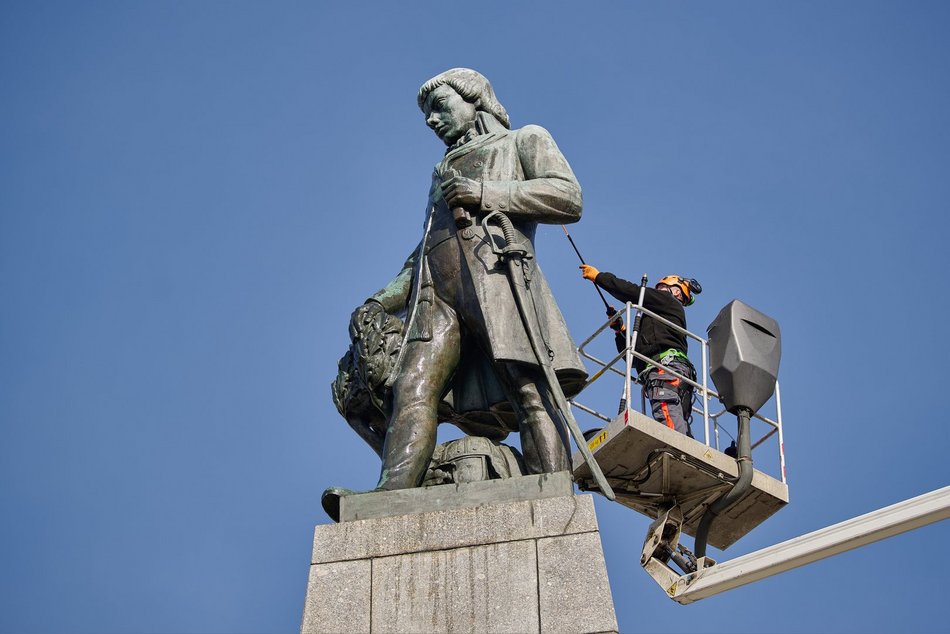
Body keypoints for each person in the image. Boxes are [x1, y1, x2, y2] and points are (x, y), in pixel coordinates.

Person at [357, 68, 588, 491]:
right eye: (427, 115)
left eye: (439, 106)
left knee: (528, 388)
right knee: (412, 388)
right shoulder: (442, 170)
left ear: (474, 98)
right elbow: (428, 245)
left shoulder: (523, 139)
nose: (432, 120)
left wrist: (483, 194)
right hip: (435, 295)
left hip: (498, 280)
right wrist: (381, 300)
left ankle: (552, 489)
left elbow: (567, 196)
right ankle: (392, 491)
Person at [579, 265, 701, 437]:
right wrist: (620, 331)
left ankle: (678, 449)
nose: (657, 292)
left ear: (676, 292)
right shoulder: (658, 321)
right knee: (674, 418)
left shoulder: (668, 301)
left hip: (666, 369)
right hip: (666, 369)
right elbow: (634, 358)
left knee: (670, 419)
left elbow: (633, 292)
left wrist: (599, 277)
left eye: (662, 288)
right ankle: (682, 447)